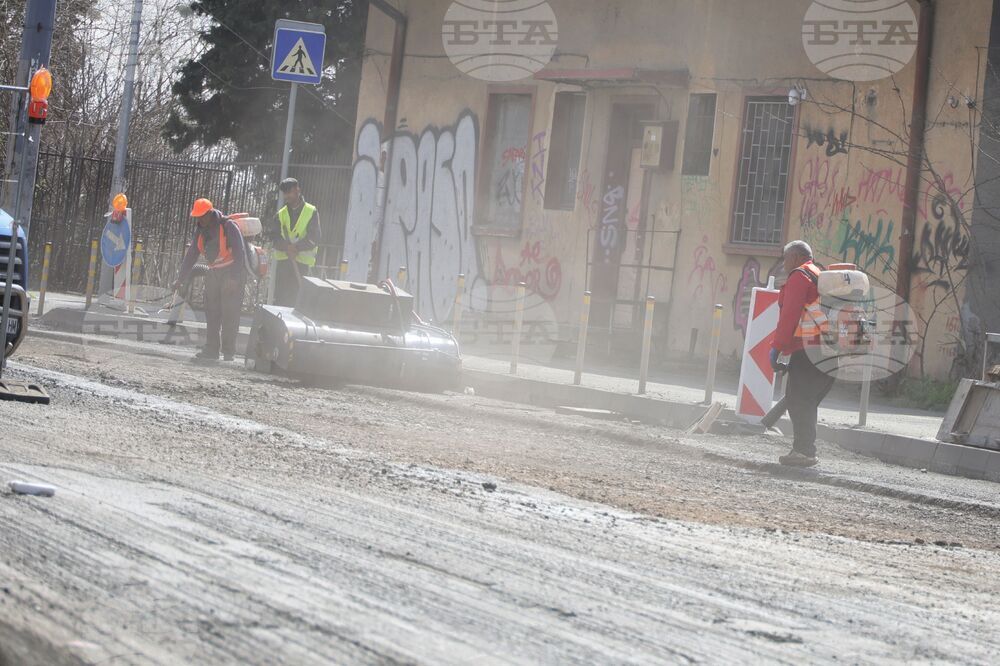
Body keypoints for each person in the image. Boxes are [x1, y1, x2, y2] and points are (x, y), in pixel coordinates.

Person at [769, 240, 835, 467]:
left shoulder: (800, 276)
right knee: (805, 401)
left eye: (785, 258)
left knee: (800, 400)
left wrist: (776, 347)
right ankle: (805, 450)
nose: (784, 264)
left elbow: (790, 315)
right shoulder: (820, 274)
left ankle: (804, 452)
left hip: (809, 350)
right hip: (831, 349)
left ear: (796, 257)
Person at [175, 198, 247, 362]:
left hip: (231, 272)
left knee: (230, 313)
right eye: (197, 217)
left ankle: (229, 352)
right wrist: (181, 278)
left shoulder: (228, 226)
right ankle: (211, 349)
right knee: (212, 312)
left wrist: (234, 278)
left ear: (210, 213)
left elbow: (239, 252)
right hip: (214, 273)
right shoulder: (201, 230)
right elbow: (192, 254)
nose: (199, 220)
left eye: (201, 216)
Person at [272, 178, 321, 306]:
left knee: (299, 302)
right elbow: (275, 238)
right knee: (281, 301)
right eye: (285, 193)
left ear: (298, 190)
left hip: (302, 266)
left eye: (290, 192)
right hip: (284, 266)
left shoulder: (311, 211)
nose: (287, 196)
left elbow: (314, 238)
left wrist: (296, 248)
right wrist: (287, 247)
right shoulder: (280, 215)